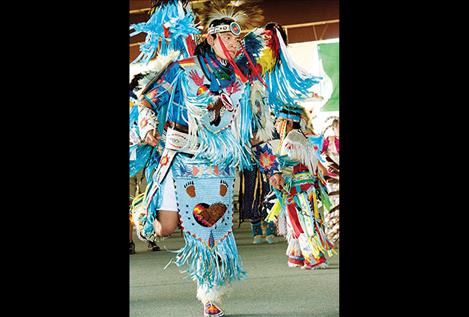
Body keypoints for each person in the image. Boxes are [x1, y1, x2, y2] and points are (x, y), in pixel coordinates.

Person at [129, 1, 321, 315]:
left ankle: (210, 295)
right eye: (227, 37)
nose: (234, 41)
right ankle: (142, 211)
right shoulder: (184, 70)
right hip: (180, 159)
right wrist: (148, 125)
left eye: (236, 37)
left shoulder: (246, 84)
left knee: (212, 233)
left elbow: (256, 132)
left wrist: (271, 167)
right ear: (209, 38)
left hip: (217, 169)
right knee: (163, 227)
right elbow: (148, 101)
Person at [266, 105, 335, 270]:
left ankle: (314, 257)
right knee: (301, 221)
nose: (276, 124)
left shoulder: (291, 139)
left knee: (302, 222)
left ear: (289, 122)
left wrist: (278, 177)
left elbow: (289, 166)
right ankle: (297, 256)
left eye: (279, 121)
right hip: (304, 187)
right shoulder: (301, 136)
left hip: (297, 189)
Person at [239, 166, 277, 244]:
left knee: (270, 195)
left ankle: (271, 229)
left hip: (268, 163)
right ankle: (256, 232)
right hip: (251, 165)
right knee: (252, 196)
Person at [321, 117, 340, 245]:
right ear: (333, 129)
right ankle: (332, 236)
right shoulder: (328, 141)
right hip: (333, 180)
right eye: (337, 128)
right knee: (333, 206)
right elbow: (320, 155)